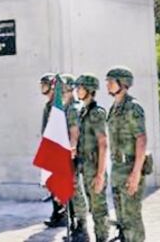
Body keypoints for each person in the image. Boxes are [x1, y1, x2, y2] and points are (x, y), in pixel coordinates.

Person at [105, 67, 147, 241]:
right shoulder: (114, 108)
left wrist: (136, 173)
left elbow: (141, 139)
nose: (107, 84)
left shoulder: (133, 107)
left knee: (132, 218)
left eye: (111, 81)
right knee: (121, 218)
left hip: (130, 167)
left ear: (123, 84)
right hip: (117, 168)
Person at [41, 73, 83, 229]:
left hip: (69, 155)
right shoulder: (59, 107)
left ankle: (76, 225)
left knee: (74, 193)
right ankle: (64, 218)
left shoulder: (69, 108)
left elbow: (73, 133)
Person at [74, 73, 108, 242]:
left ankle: (102, 238)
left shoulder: (97, 113)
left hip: (94, 168)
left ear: (90, 90)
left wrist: (100, 174)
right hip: (84, 166)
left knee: (98, 209)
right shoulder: (83, 112)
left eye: (80, 87)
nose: (77, 90)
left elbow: (103, 143)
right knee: (90, 206)